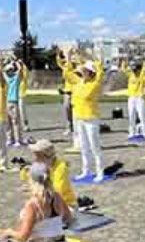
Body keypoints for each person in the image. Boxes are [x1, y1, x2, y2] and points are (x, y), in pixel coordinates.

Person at [1, 161, 74, 242]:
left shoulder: (33, 204)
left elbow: (23, 237)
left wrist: (10, 232)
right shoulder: (57, 196)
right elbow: (68, 219)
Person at [63, 53, 106, 181]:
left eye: (85, 70)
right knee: (83, 146)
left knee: (94, 146)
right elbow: (66, 73)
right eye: (82, 70)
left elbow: (100, 73)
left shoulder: (95, 83)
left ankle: (100, 172)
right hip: (78, 117)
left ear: (91, 72)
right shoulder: (77, 83)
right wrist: (69, 57)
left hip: (91, 118)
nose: (82, 72)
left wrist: (95, 62)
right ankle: (86, 170)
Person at [27, 139, 78, 208]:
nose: (35, 157)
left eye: (37, 155)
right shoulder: (44, 165)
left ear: (45, 156)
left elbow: (58, 191)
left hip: (65, 204)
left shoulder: (60, 168)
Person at [122, 59, 145, 139]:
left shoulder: (142, 76)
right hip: (131, 97)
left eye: (136, 70)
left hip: (140, 97)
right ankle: (132, 132)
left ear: (139, 70)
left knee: (142, 116)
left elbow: (144, 71)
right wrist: (124, 60)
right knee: (131, 115)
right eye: (133, 70)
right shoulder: (131, 74)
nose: (134, 71)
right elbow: (123, 69)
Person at [4, 58, 26, 146]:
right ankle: (10, 139)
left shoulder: (15, 79)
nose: (9, 72)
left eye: (11, 70)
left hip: (13, 102)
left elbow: (20, 70)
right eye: (8, 70)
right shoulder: (7, 79)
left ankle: (17, 140)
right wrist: (15, 63)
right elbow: (2, 71)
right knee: (9, 122)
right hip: (7, 102)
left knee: (15, 122)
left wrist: (16, 63)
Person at [55, 49, 75, 136]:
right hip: (67, 91)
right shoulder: (66, 66)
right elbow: (59, 63)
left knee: (76, 110)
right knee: (67, 108)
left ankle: (76, 127)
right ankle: (69, 127)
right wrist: (58, 54)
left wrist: (71, 55)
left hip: (77, 91)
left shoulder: (79, 67)